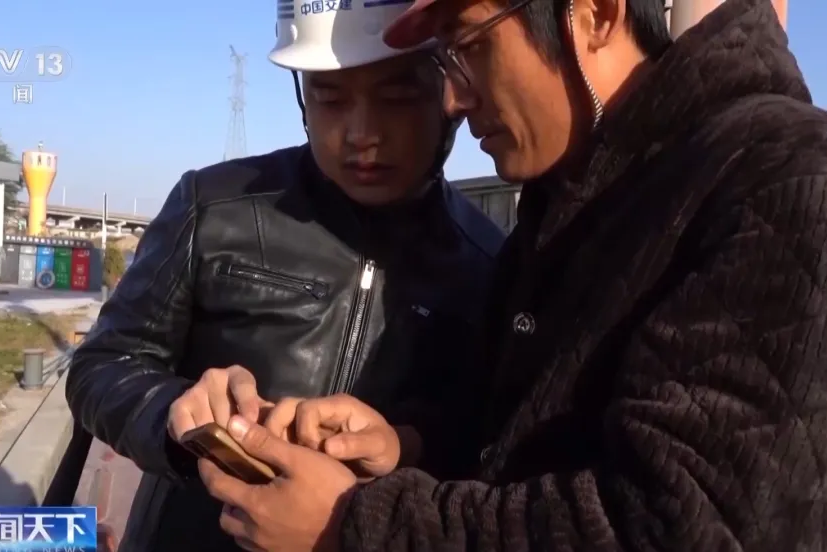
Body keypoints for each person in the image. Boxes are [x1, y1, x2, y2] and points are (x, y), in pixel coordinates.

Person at [193, 0, 827, 551]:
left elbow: (678, 527)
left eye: (470, 46)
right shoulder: (578, 199)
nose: (454, 99)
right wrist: (409, 446)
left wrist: (354, 526)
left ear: (595, 15)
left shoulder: (785, 183)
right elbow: (526, 449)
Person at [64, 1, 505, 550]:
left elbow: (487, 439)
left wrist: (408, 446)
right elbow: (103, 364)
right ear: (301, 97)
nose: (361, 134)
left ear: (452, 95)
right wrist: (172, 415)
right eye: (330, 98)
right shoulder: (212, 205)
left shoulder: (491, 264)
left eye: (396, 96)